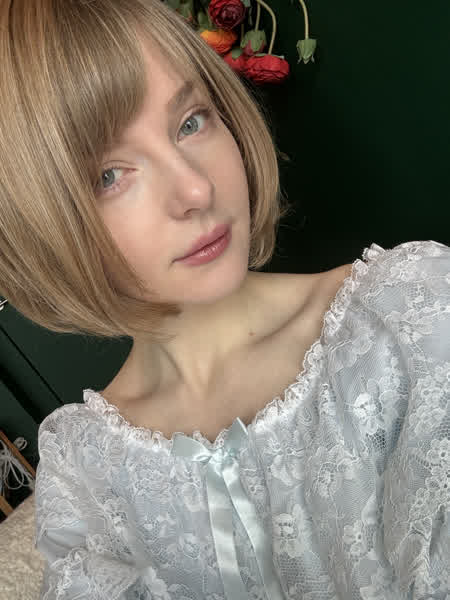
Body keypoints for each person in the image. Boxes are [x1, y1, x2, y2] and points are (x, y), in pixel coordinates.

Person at [0, 1, 448, 599]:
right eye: (109, 175)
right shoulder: (85, 474)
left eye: (191, 121)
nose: (196, 188)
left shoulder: (409, 315)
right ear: (39, 231)